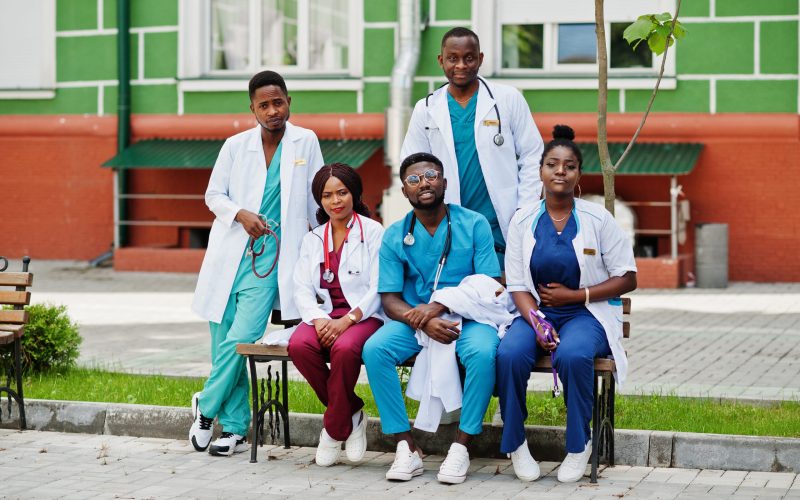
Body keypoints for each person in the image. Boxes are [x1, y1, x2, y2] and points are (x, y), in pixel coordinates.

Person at [189, 70, 323, 456]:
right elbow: (213, 194)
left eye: (277, 102)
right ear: (252, 109)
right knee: (223, 343)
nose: (272, 110)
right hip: (229, 253)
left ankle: (206, 407)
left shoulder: (305, 140)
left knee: (241, 337)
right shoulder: (235, 145)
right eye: (263, 105)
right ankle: (232, 429)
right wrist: (240, 214)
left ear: (288, 102)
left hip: (273, 257)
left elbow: (317, 197)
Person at [496, 125, 637, 482]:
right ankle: (516, 443)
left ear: (578, 175)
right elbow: (516, 283)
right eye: (552, 164)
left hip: (585, 314)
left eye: (569, 165)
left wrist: (577, 296)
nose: (560, 170)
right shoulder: (522, 221)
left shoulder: (598, 219)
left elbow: (628, 276)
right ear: (540, 171)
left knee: (574, 356)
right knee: (509, 355)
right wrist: (538, 322)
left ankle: (578, 445)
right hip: (535, 314)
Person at [362, 152, 501, 485]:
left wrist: (437, 307)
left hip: (469, 317)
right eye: (413, 179)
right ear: (405, 191)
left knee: (482, 353)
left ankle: (461, 447)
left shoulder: (474, 223)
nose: (423, 182)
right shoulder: (396, 235)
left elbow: (488, 284)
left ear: (445, 183)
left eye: (430, 175)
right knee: (375, 349)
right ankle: (406, 447)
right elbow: (390, 299)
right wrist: (423, 321)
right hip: (415, 321)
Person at [400, 27, 544, 269]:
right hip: (448, 221)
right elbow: (410, 166)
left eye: (469, 58)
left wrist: (524, 208)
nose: (461, 65)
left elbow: (533, 153)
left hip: (500, 221)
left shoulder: (507, 99)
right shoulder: (425, 109)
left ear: (480, 59)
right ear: (441, 60)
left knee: (496, 290)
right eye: (452, 58)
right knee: (453, 290)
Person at [287, 163, 385, 467]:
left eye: (342, 192)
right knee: (299, 345)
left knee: (344, 348)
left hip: (364, 315)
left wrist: (349, 320)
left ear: (354, 193)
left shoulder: (373, 232)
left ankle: (332, 430)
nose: (336, 201)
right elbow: (301, 288)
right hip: (326, 315)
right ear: (320, 200)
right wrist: (318, 318)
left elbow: (380, 286)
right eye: (327, 195)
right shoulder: (313, 239)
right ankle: (351, 412)